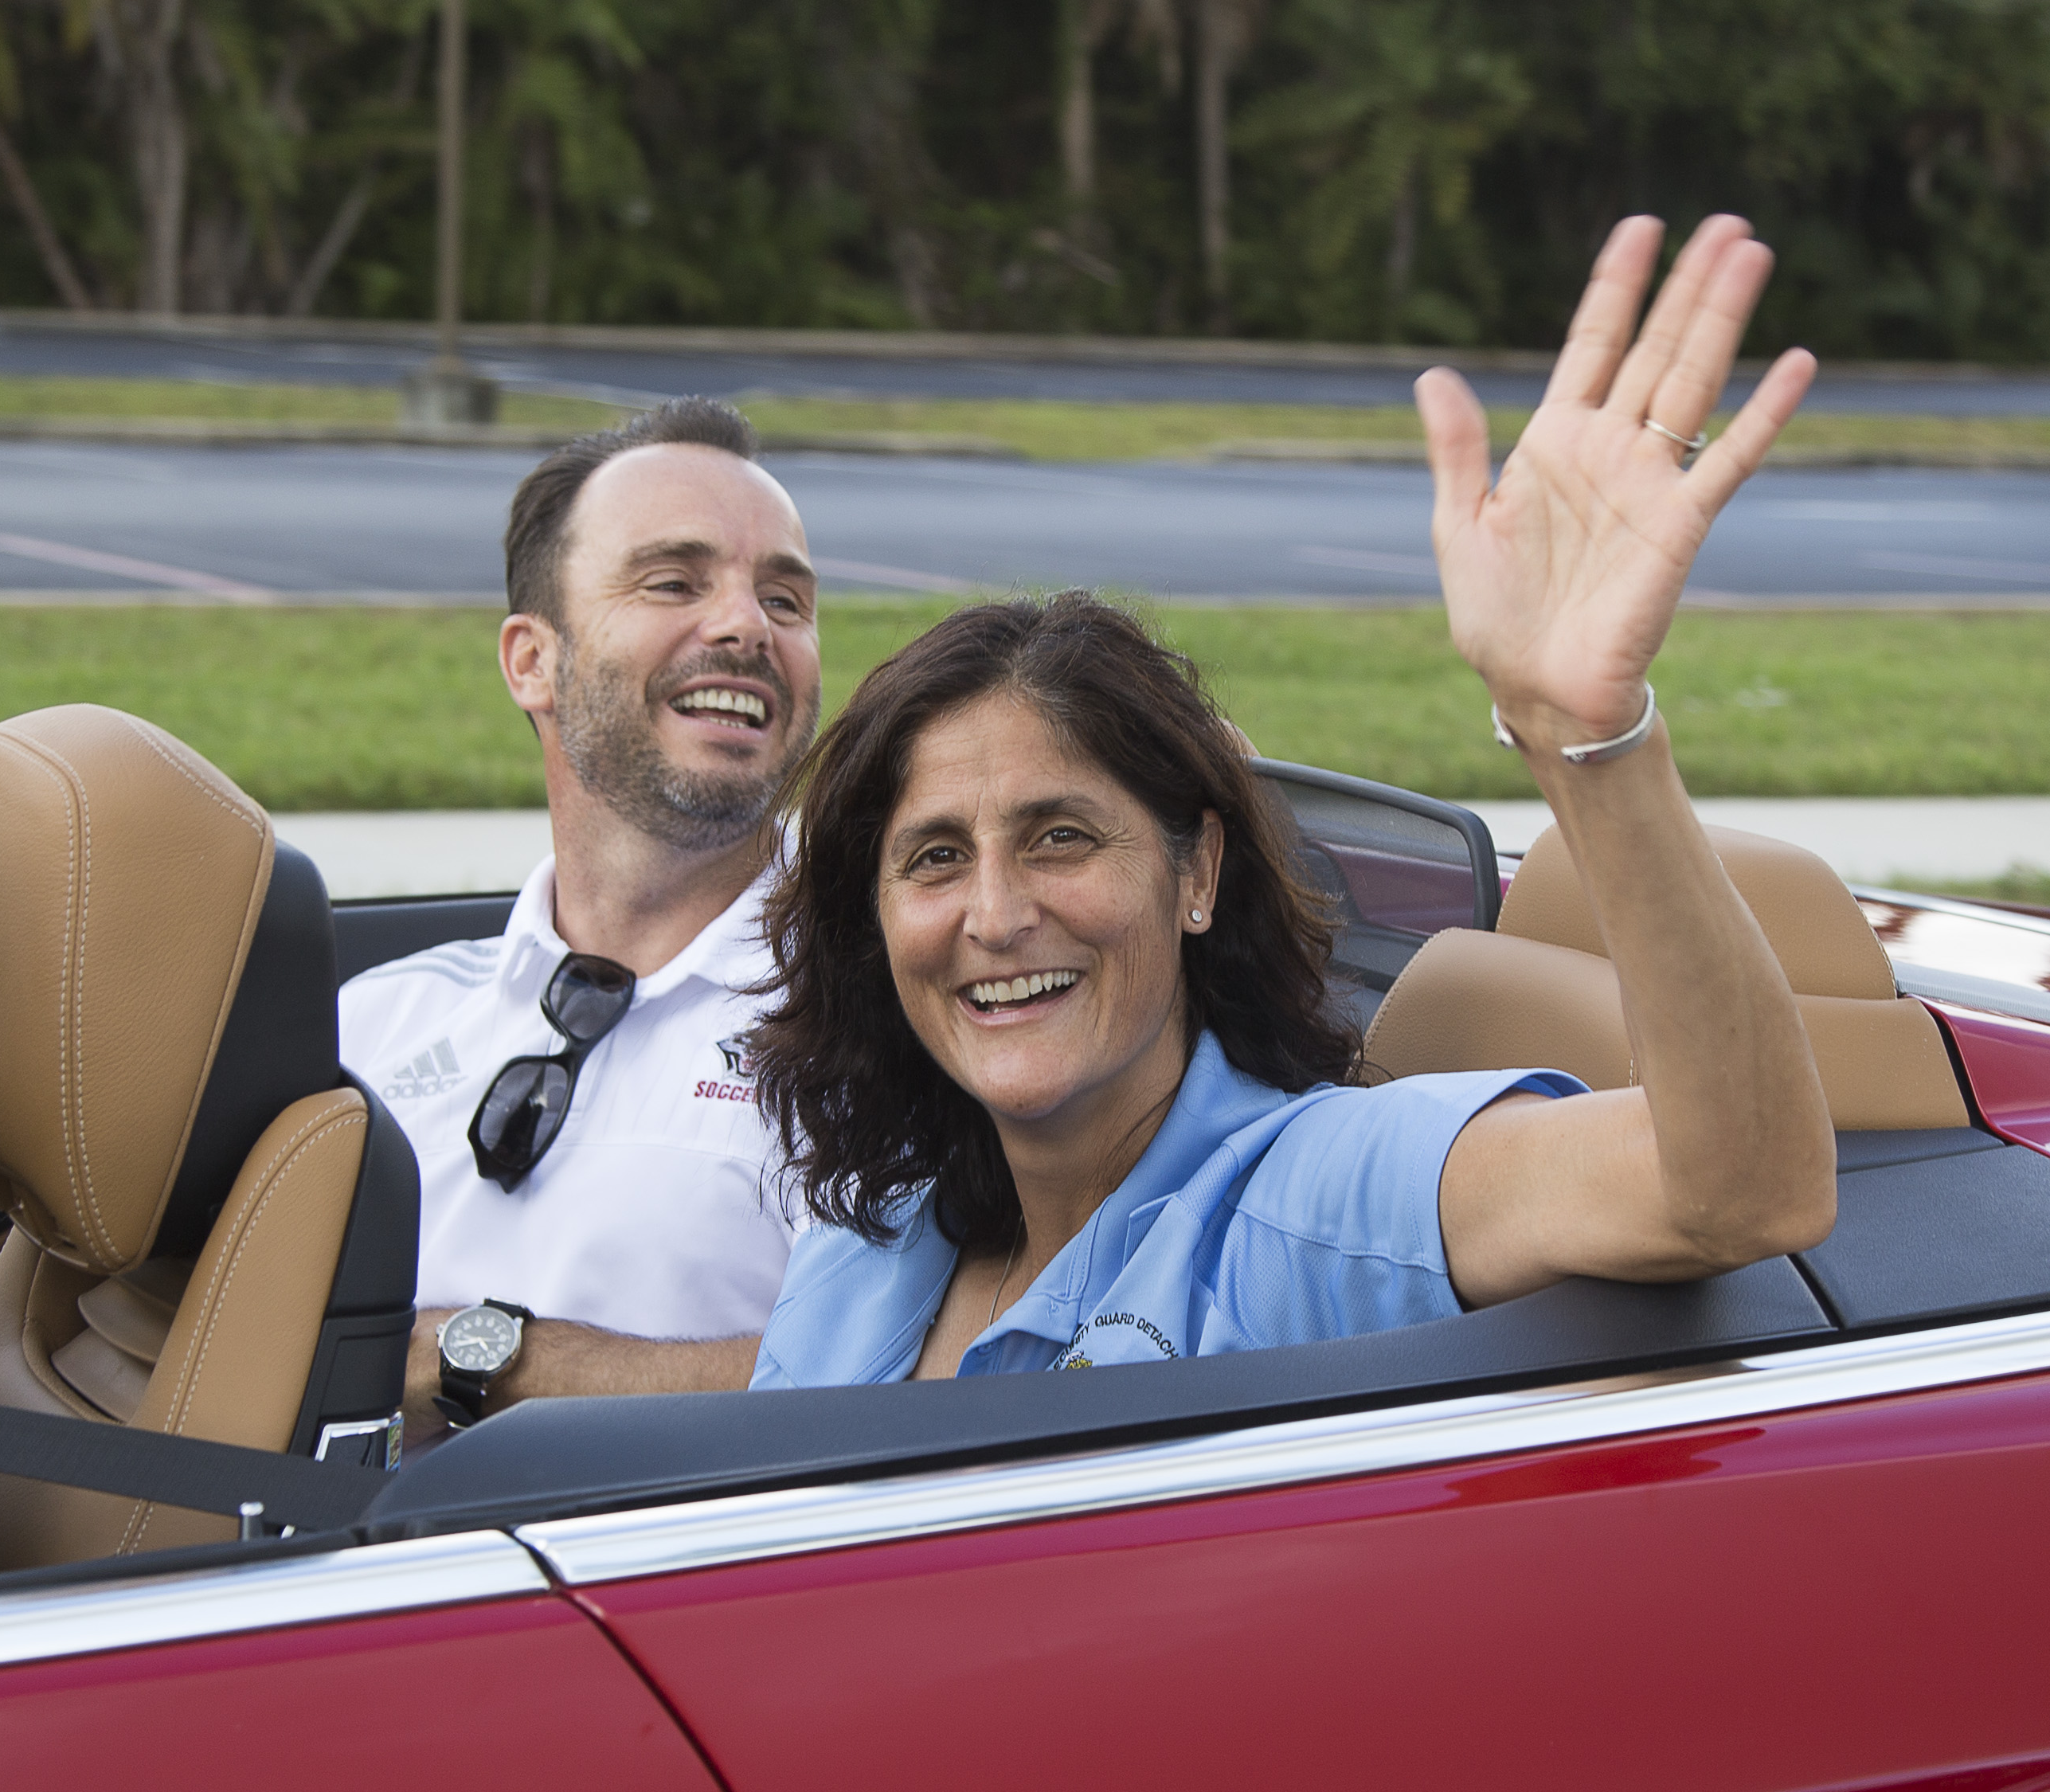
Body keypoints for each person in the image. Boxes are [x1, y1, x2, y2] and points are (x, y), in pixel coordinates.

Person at [745, 214, 1837, 1387]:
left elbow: (1734, 1189)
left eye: (1059, 837)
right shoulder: (865, 1244)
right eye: (934, 858)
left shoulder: (1312, 1193)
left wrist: (1585, 735)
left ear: (1197, 874)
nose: (996, 914)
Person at [338, 397, 816, 1435]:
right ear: (532, 662)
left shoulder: (888, 1021)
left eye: (785, 598)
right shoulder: (367, 1026)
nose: (748, 626)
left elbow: (912, 1374)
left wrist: (497, 1359)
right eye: (674, 582)